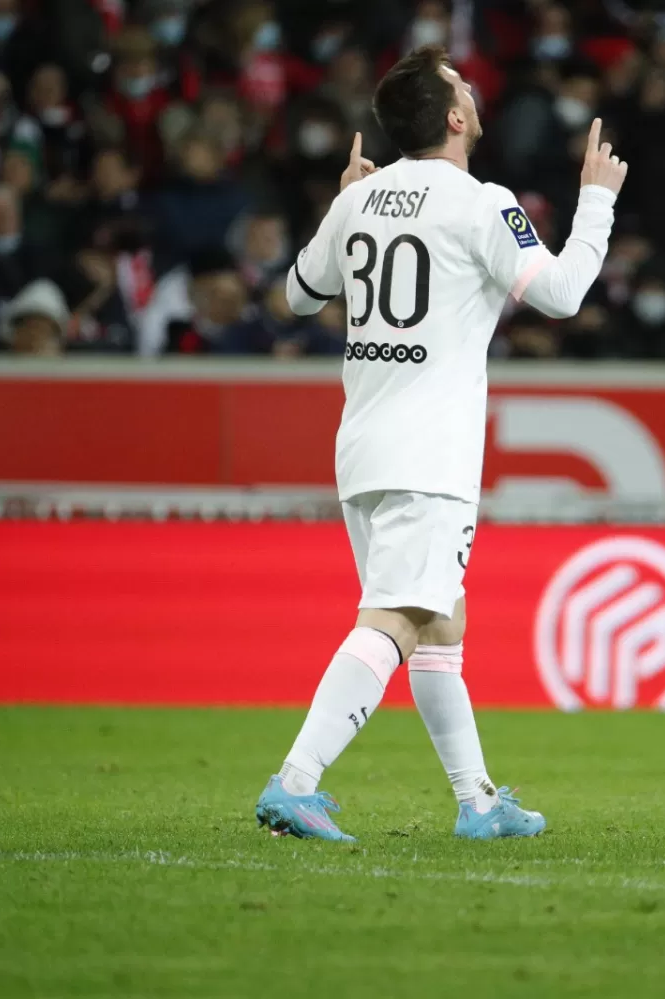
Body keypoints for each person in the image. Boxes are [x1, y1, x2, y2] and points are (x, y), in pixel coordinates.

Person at [255, 45, 627, 842]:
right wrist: (595, 202)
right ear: (455, 118)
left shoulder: (360, 199)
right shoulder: (482, 203)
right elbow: (560, 295)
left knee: (439, 623)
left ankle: (478, 800)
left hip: (362, 445)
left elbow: (295, 293)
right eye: (463, 84)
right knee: (398, 614)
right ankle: (294, 781)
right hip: (431, 452)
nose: (473, 88)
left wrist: (344, 205)